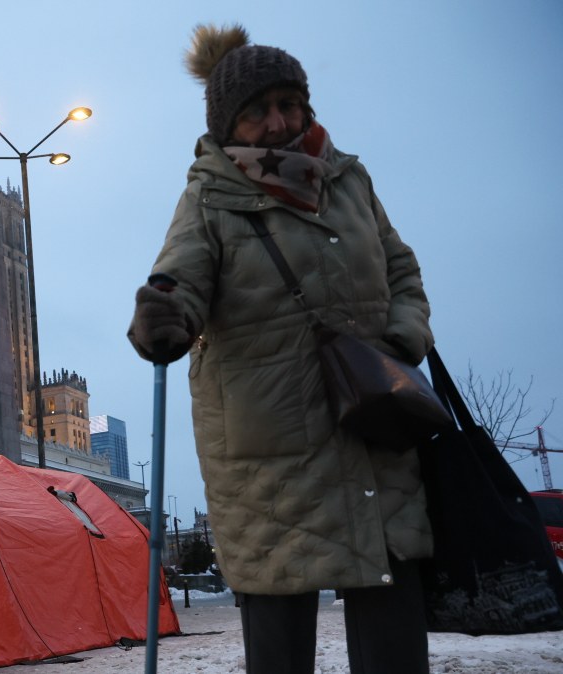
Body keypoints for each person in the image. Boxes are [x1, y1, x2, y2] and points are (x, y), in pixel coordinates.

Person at [127, 24, 432, 674]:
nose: (278, 121)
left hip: (372, 425)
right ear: (228, 122)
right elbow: (180, 276)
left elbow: (401, 268)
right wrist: (165, 315)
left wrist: (405, 338)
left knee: (392, 618)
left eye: (288, 103)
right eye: (258, 110)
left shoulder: (348, 180)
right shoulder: (210, 194)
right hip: (271, 460)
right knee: (279, 636)